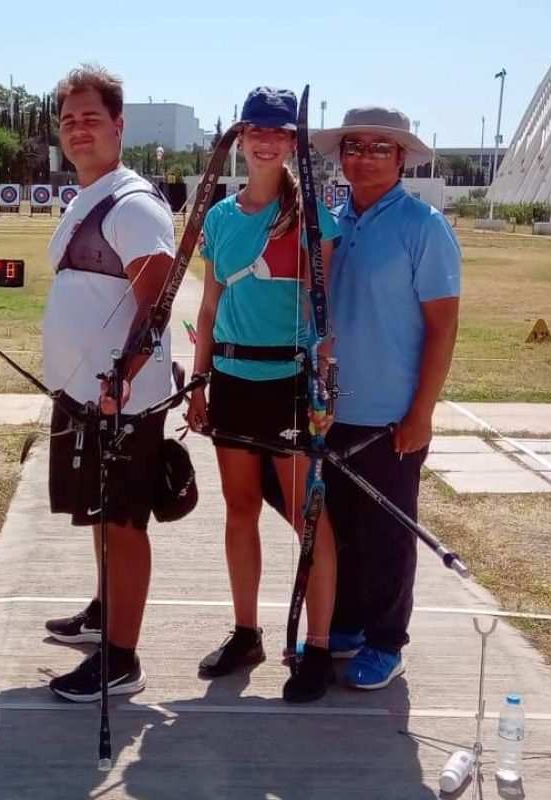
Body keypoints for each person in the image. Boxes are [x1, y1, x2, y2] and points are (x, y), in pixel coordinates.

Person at [183, 87, 341, 703]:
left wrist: (323, 385)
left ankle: (319, 646)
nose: (267, 141)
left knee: (310, 520)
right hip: (231, 379)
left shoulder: (312, 218)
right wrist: (198, 382)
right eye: (256, 131)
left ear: (293, 142)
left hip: (288, 385)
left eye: (280, 132)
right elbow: (211, 301)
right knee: (240, 508)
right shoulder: (221, 217)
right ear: (241, 139)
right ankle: (246, 630)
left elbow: (323, 310)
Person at [38, 64, 181, 702]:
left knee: (124, 521)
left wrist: (121, 378)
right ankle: (105, 610)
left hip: (120, 397)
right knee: (100, 513)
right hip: (84, 394)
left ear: (118, 126)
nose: (78, 130)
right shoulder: (87, 198)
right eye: (69, 120)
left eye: (91, 118)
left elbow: (156, 306)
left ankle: (122, 659)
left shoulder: (134, 205)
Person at [310, 107, 461, 691]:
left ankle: (385, 639)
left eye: (380, 147)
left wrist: (421, 411)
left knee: (387, 533)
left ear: (401, 158)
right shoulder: (331, 222)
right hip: (330, 410)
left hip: (391, 415)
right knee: (336, 528)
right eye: (355, 145)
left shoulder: (423, 226)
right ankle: (344, 625)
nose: (365, 156)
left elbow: (443, 326)